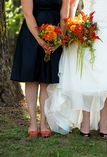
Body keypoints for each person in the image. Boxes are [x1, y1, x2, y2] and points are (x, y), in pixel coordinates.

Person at [44, 0, 107, 138]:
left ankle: (103, 122)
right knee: (86, 77)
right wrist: (71, 26)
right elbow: (72, 4)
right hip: (86, 28)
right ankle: (86, 122)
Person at [11, 0, 70, 137]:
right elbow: (28, 13)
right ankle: (32, 122)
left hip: (54, 35)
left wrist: (59, 38)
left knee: (46, 80)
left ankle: (43, 122)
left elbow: (64, 15)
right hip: (32, 34)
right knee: (31, 79)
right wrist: (40, 40)